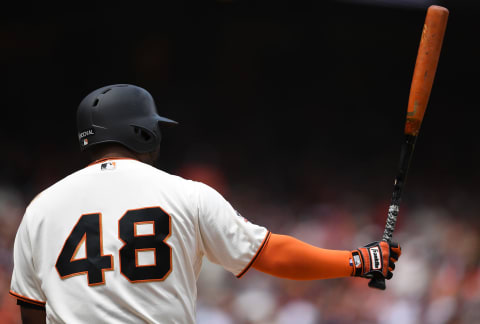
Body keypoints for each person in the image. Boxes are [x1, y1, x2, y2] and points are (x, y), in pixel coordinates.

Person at [10, 84, 401, 324]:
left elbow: (32, 312)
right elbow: (271, 254)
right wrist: (358, 261)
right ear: (142, 132)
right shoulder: (185, 193)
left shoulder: (40, 208)